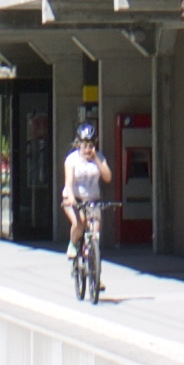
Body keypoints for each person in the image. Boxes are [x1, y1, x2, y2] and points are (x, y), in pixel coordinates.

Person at [59, 123, 116, 292]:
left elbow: (108, 177)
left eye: (91, 145)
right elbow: (68, 184)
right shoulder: (71, 160)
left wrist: (96, 160)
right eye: (85, 145)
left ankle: (95, 274)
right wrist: (70, 198)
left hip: (92, 200)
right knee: (80, 222)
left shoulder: (98, 157)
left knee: (95, 235)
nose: (88, 148)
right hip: (74, 198)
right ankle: (73, 244)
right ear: (78, 144)